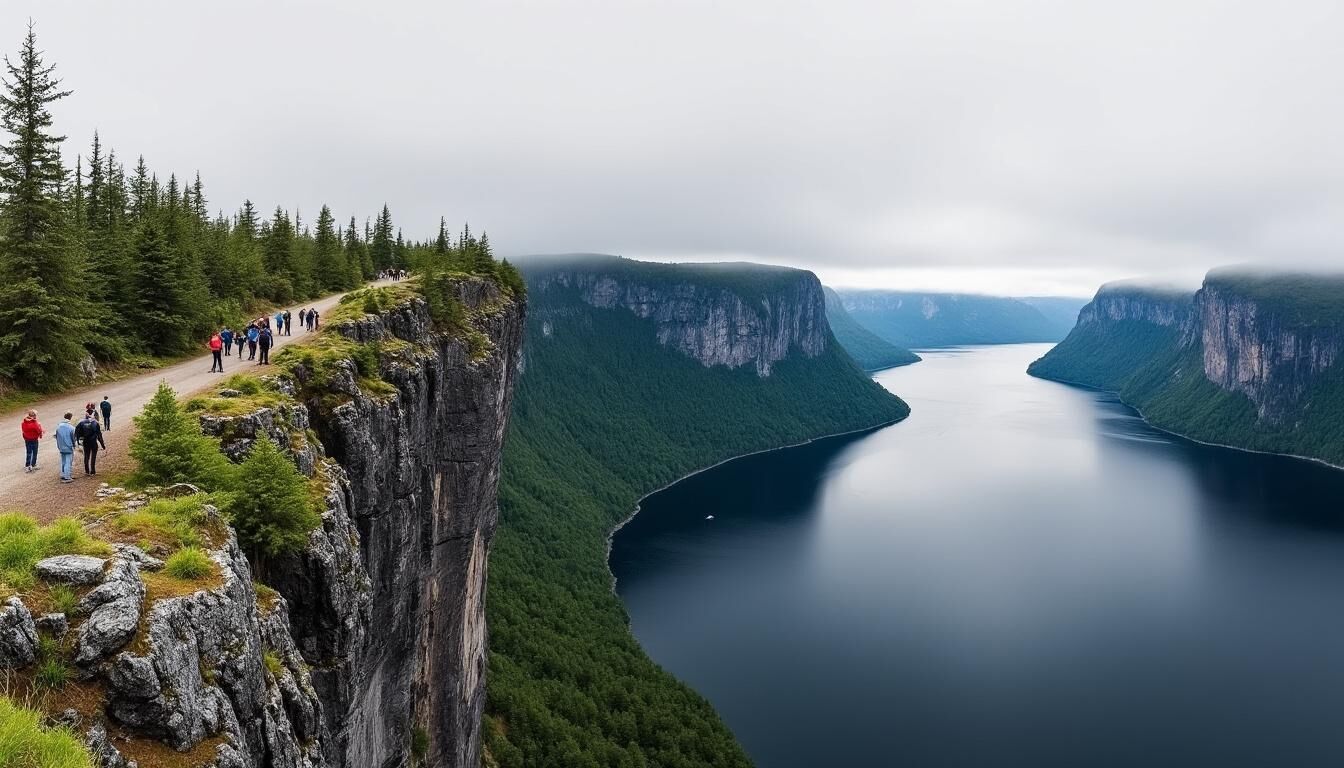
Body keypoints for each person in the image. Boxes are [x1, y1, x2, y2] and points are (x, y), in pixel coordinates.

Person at [74, 411, 106, 476]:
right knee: (93, 456)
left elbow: (77, 433)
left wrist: (78, 442)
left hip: (86, 441)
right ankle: (93, 471)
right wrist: (103, 445)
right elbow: (99, 435)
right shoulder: (95, 423)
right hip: (93, 442)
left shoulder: (81, 423)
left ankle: (87, 471)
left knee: (86, 456)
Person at [54, 412, 76, 483]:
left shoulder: (58, 426)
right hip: (68, 446)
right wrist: (74, 445)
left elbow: (56, 436)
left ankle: (63, 474)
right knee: (68, 462)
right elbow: (73, 438)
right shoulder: (71, 427)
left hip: (61, 446)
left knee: (63, 461)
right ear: (70, 418)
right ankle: (67, 476)